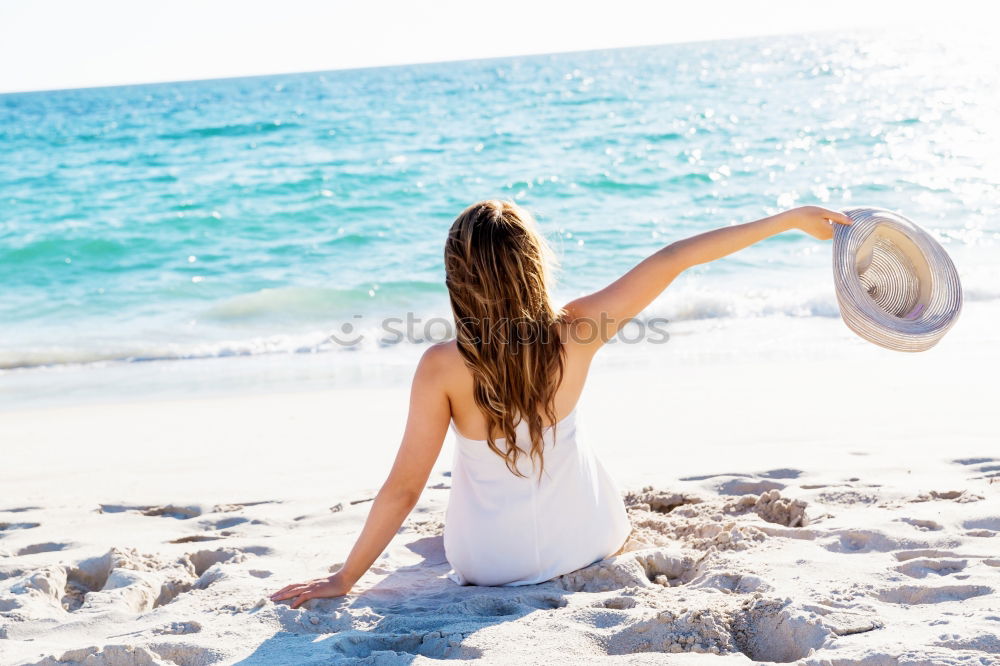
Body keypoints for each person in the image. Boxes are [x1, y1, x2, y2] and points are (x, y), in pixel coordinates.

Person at [270, 200, 851, 608]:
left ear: (457, 278)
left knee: (446, 520)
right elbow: (676, 257)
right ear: (532, 265)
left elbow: (403, 490)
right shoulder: (576, 331)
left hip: (486, 567)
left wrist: (346, 578)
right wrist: (790, 220)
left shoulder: (442, 367)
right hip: (588, 541)